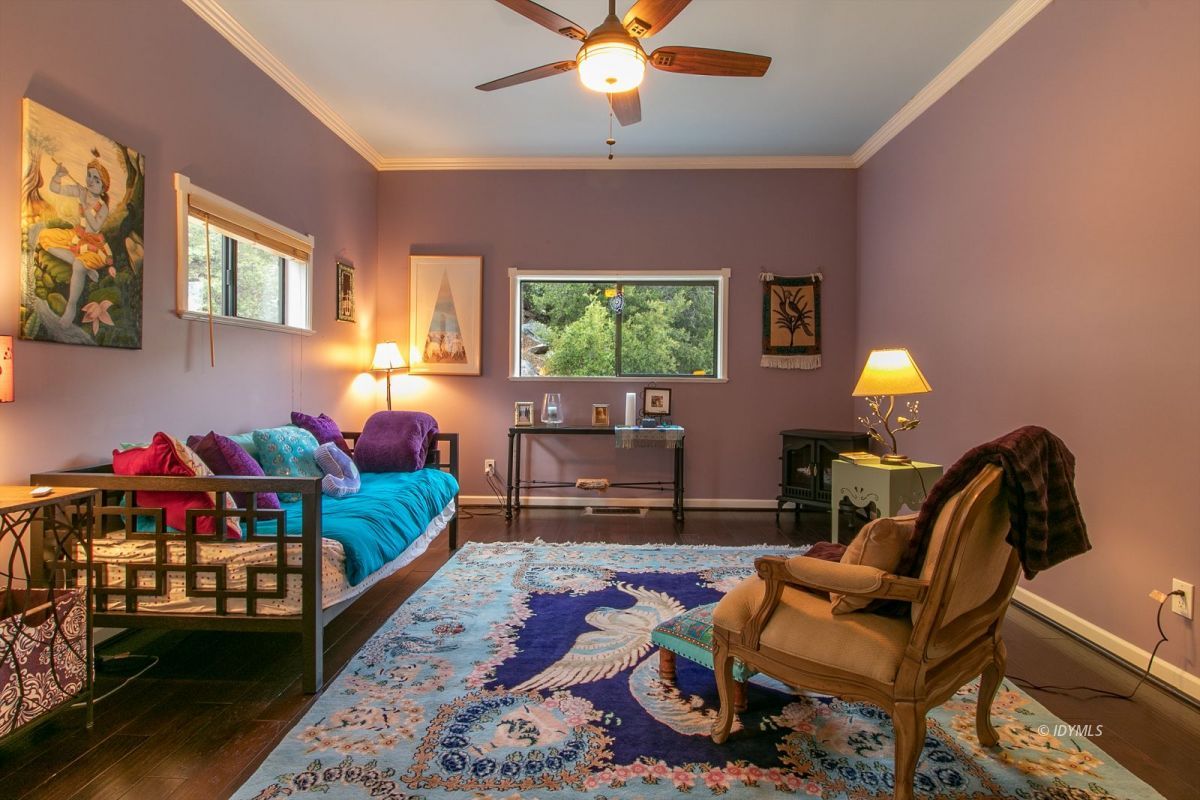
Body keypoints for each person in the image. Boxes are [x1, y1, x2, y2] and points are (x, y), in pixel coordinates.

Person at [28, 148, 114, 324]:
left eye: (96, 179)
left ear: (104, 187)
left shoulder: (102, 206)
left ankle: (71, 306)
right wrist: (58, 175)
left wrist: (84, 203)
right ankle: (85, 269)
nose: (91, 181)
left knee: (78, 263)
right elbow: (54, 188)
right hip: (77, 235)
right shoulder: (80, 190)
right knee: (45, 237)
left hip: (93, 243)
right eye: (89, 176)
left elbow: (95, 225)